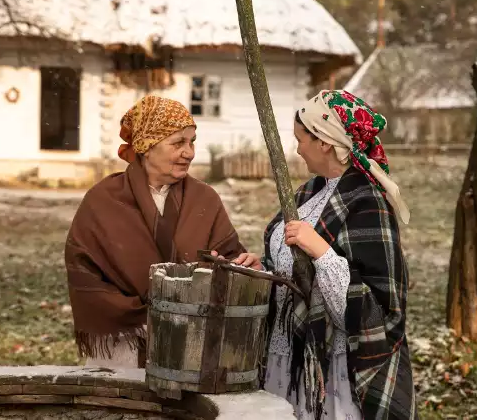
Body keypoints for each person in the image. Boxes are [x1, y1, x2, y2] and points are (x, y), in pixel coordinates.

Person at [249, 90, 416, 419]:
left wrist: (322, 252)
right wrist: (261, 268)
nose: (297, 149)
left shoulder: (368, 204)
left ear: (324, 141)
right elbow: (289, 267)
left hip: (335, 373)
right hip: (290, 359)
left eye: (301, 139)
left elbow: (377, 315)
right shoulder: (308, 192)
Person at [65, 95, 260, 368]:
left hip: (191, 345)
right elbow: (83, 272)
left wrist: (244, 267)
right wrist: (142, 315)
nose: (190, 152)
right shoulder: (103, 200)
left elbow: (228, 262)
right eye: (178, 142)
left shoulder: (205, 199)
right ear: (147, 146)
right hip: (121, 347)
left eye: (192, 141)